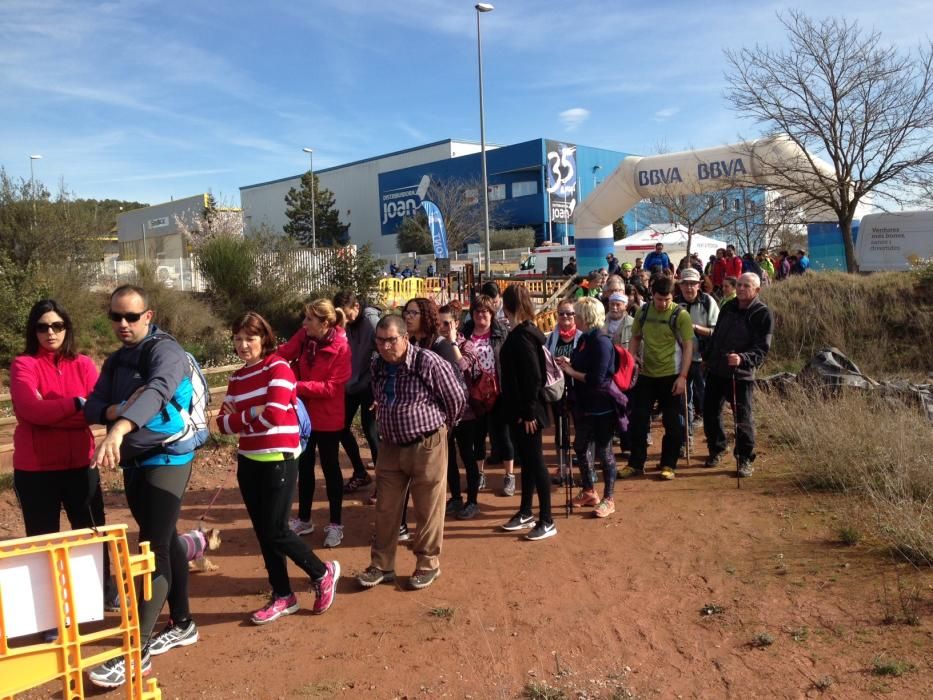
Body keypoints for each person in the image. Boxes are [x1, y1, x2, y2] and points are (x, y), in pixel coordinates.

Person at [85, 285, 198, 688]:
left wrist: (120, 426)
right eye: (116, 316)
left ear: (148, 316)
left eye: (131, 317)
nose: (123, 324)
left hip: (169, 455)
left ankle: (138, 651)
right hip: (134, 460)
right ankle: (183, 622)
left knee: (152, 548)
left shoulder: (164, 351)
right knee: (164, 539)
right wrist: (114, 411)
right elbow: (92, 405)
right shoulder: (116, 360)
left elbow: (157, 391)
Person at [216, 312, 339, 624]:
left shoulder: (278, 367)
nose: (244, 345)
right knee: (263, 533)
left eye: (250, 338)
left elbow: (272, 414)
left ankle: (322, 573)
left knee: (277, 529)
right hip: (249, 460)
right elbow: (221, 424)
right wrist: (252, 411)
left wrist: (244, 413)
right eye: (238, 338)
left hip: (278, 458)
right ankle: (283, 594)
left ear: (264, 339)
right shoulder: (237, 377)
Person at [10, 300, 119, 631]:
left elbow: (95, 411)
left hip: (78, 465)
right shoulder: (23, 365)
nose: (50, 332)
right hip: (36, 471)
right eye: (42, 327)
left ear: (67, 328)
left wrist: (53, 412)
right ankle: (47, 616)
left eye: (57, 325)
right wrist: (74, 404)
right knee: (42, 540)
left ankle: (102, 592)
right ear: (34, 331)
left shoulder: (83, 364)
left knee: (91, 530)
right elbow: (29, 410)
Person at [357, 315, 465, 590]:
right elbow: (380, 395)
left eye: (391, 340)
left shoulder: (426, 361)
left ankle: (428, 564)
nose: (384, 346)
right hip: (391, 446)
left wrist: (442, 429)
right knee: (386, 508)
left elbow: (456, 397)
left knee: (428, 509)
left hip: (427, 444)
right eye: (380, 341)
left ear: (405, 337)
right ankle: (382, 565)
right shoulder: (377, 365)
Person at [279, 300, 351, 548]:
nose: (304, 323)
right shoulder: (304, 336)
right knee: (304, 467)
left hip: (329, 416)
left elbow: (332, 387)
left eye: (309, 319)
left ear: (325, 323)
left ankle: (335, 524)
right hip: (305, 415)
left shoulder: (341, 348)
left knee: (331, 469)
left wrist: (295, 387)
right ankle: (304, 519)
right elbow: (284, 353)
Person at [621, 277, 694, 481]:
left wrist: (683, 377)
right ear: (652, 295)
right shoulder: (643, 312)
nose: (663, 304)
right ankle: (636, 463)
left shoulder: (681, 315)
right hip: (646, 374)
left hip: (671, 375)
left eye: (667, 299)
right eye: (659, 299)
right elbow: (635, 338)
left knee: (672, 422)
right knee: (638, 420)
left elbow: (688, 346)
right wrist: (632, 359)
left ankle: (668, 463)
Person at [497, 284, 555, 540]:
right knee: (529, 462)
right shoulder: (526, 331)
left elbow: (533, 377)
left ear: (507, 305)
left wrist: (529, 411)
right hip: (522, 410)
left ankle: (547, 519)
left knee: (536, 463)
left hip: (529, 412)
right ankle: (526, 511)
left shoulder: (522, 336)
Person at [702, 273, 774, 477]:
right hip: (716, 369)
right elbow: (717, 336)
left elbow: (762, 349)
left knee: (742, 418)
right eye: (739, 285)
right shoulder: (728, 306)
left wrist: (743, 358)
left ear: (757, 290)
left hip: (740, 374)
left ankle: (744, 459)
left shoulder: (763, 313)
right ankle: (716, 449)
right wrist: (707, 357)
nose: (741, 289)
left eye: (746, 286)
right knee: (710, 412)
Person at [557, 297, 617, 517]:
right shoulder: (585, 339)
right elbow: (582, 365)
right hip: (584, 404)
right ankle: (589, 490)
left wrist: (571, 372)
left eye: (577, 315)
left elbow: (597, 378)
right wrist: (568, 365)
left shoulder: (601, 341)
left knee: (604, 452)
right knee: (581, 446)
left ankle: (609, 498)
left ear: (586, 317)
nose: (574, 318)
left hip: (601, 406)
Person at [461, 293, 513, 495]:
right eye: (477, 311)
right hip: (474, 395)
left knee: (503, 436)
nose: (481, 315)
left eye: (485, 311)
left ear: (491, 314)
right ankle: (479, 474)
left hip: (497, 393)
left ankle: (509, 476)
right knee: (478, 437)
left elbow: (508, 362)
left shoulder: (501, 333)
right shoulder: (464, 334)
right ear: (472, 314)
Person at [439, 303, 484, 519]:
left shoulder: (468, 346)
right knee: (447, 458)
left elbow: (462, 366)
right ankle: (456, 497)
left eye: (447, 323)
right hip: (445, 413)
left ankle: (472, 500)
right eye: (440, 323)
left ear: (456, 324)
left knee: (468, 456)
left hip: (466, 412)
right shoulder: (436, 347)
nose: (443, 327)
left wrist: (453, 341)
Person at [333, 291, 379, 497]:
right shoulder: (345, 324)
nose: (345, 319)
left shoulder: (371, 322)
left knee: (371, 432)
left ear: (357, 308)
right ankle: (361, 472)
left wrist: (377, 385)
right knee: (341, 427)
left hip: (369, 385)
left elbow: (384, 352)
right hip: (351, 384)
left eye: (347, 314)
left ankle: (384, 482)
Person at [675, 269, 719, 431]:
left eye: (692, 284)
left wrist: (695, 328)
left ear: (699, 285)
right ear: (680, 286)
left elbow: (716, 331)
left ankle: (708, 429)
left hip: (702, 359)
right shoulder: (675, 303)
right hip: (680, 359)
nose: (688, 288)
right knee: (683, 400)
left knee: (705, 396)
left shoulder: (708, 302)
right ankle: (686, 437)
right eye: (685, 284)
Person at [544, 298, 583, 484]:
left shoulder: (582, 337)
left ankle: (582, 468)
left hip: (578, 387)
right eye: (562, 313)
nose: (566, 317)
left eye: (569, 313)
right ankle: (562, 467)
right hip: (558, 388)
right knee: (561, 429)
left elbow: (586, 362)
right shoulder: (551, 337)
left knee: (581, 429)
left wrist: (571, 363)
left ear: (575, 316)